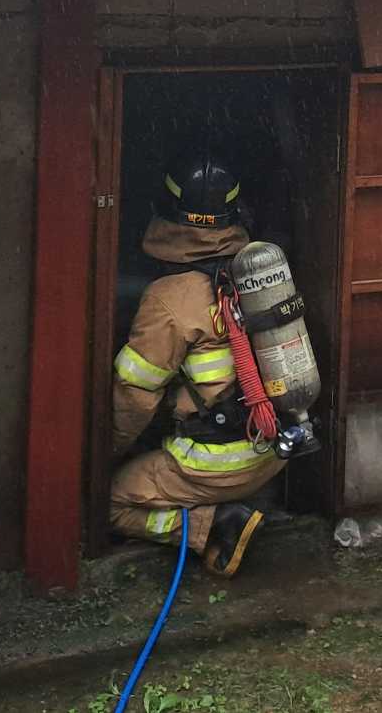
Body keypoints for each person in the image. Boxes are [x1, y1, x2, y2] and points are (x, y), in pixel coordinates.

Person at [109, 150, 283, 577]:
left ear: (164, 211)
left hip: (212, 465)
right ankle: (242, 500)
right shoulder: (262, 274)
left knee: (111, 501)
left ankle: (217, 524)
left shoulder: (167, 298)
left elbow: (135, 398)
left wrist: (109, 451)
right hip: (273, 450)